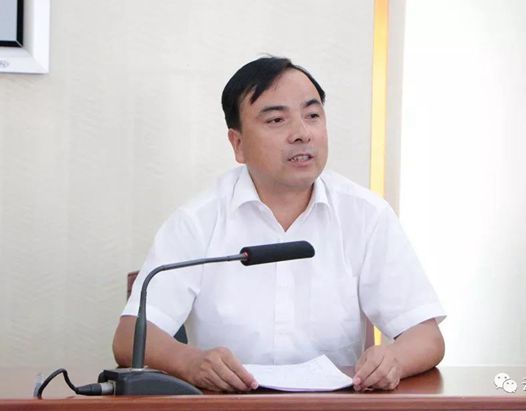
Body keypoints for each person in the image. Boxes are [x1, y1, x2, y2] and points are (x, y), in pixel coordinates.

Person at [113, 56, 445, 393]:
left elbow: (426, 336)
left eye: (312, 116)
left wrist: (392, 360)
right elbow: (129, 338)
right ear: (238, 144)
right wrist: (191, 362)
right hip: (229, 406)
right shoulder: (198, 221)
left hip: (334, 407)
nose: (302, 134)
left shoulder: (366, 215)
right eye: (276, 120)